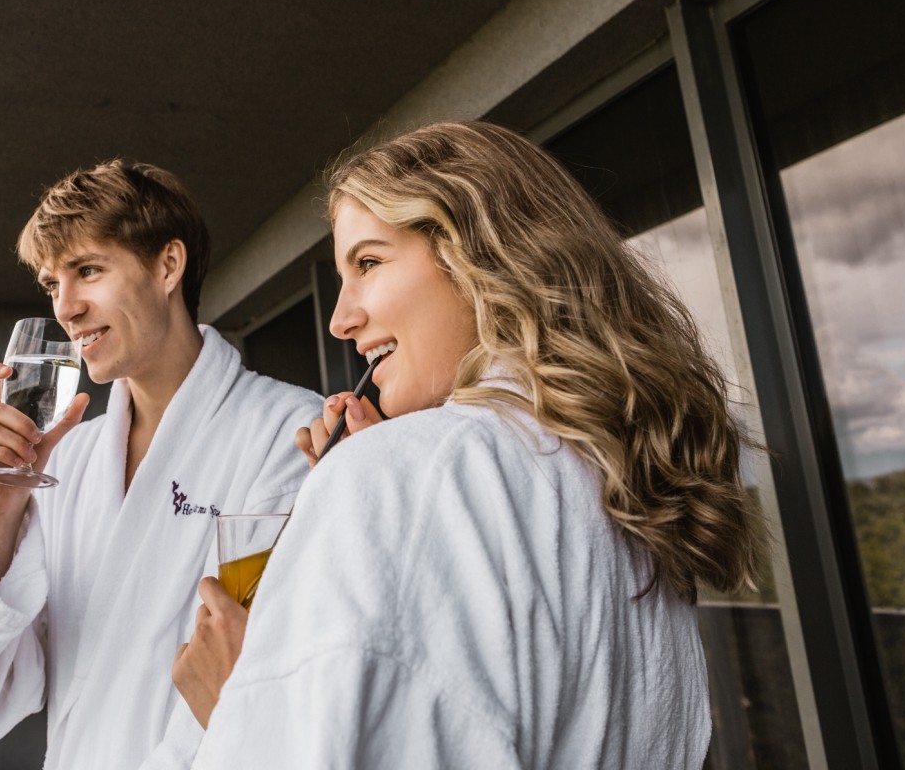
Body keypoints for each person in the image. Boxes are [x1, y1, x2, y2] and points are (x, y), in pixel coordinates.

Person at [174, 121, 764, 768]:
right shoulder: (621, 491)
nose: (341, 320)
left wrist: (243, 704)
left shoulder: (404, 476)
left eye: (368, 263)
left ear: (482, 257)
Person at [0, 160, 320, 770]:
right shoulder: (70, 457)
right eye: (51, 284)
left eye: (88, 271)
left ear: (167, 266)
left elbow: (256, 679)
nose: (66, 308)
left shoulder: (287, 433)